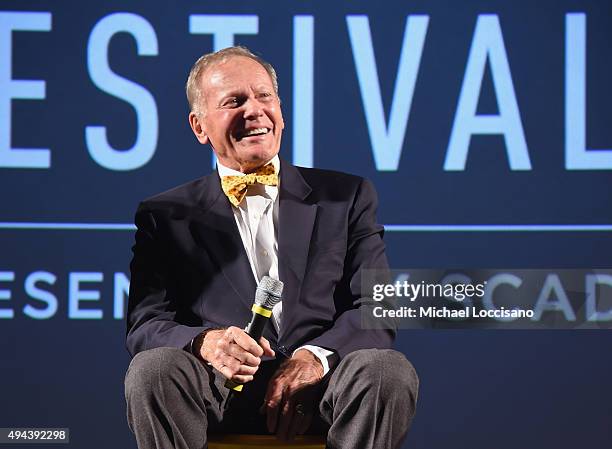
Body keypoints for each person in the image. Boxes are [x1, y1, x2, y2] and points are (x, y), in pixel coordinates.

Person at [124, 46, 419, 449]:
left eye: (264, 96)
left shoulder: (346, 196)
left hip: (324, 391)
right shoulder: (165, 215)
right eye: (234, 101)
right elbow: (147, 324)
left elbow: (374, 307)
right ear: (199, 126)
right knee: (153, 369)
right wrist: (206, 343)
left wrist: (314, 357)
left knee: (385, 370)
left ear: (280, 109)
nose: (254, 111)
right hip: (221, 390)